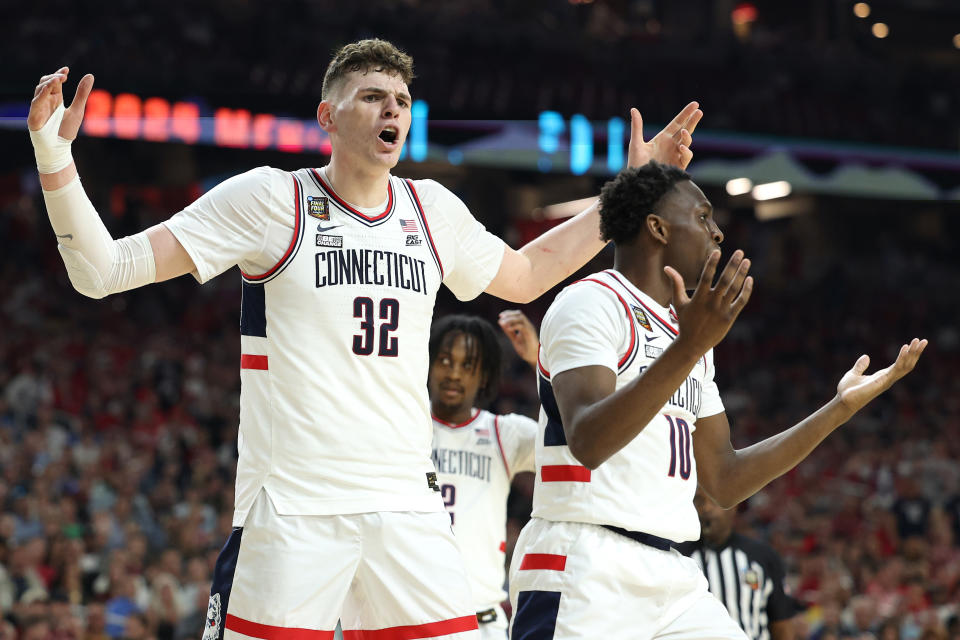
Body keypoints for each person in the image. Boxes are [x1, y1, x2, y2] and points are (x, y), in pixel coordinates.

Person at [27, 40, 703, 640]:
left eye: (402, 101)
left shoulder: (430, 209)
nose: (393, 112)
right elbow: (103, 271)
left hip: (405, 505)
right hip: (295, 508)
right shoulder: (270, 201)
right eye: (373, 97)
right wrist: (54, 156)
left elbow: (528, 276)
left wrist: (633, 191)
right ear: (328, 116)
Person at [508, 161, 927, 640]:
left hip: (673, 574)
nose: (718, 232)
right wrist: (688, 347)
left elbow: (725, 479)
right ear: (658, 228)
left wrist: (839, 410)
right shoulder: (590, 303)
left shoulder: (688, 334)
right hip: (585, 564)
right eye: (704, 217)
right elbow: (588, 441)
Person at [428, 312, 539, 639]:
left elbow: (570, 443)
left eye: (468, 365)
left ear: (485, 375)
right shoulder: (404, 426)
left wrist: (538, 361)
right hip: (413, 614)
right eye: (445, 360)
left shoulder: (502, 432)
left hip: (482, 621)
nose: (454, 373)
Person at [677, 487, 800, 640]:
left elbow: (782, 623)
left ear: (733, 505)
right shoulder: (679, 558)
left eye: (714, 500)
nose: (706, 508)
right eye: (699, 500)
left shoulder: (762, 556)